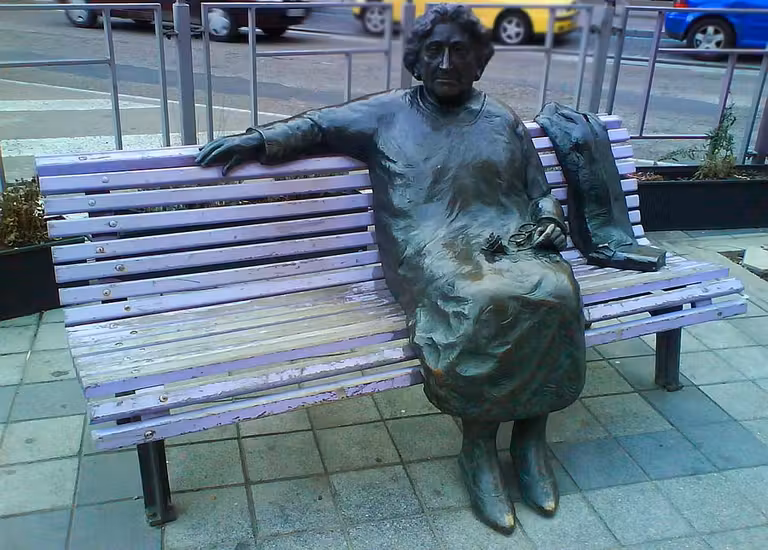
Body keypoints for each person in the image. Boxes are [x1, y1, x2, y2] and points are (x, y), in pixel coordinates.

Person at [196, 3, 586, 535]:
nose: (446, 61)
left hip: (507, 238)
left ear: (479, 62)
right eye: (434, 51)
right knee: (485, 301)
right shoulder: (386, 114)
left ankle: (530, 439)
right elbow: (314, 126)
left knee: (556, 288)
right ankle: (477, 447)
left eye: (459, 52)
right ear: (416, 61)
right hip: (431, 249)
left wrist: (549, 220)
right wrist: (258, 140)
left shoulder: (500, 119)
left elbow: (539, 194)